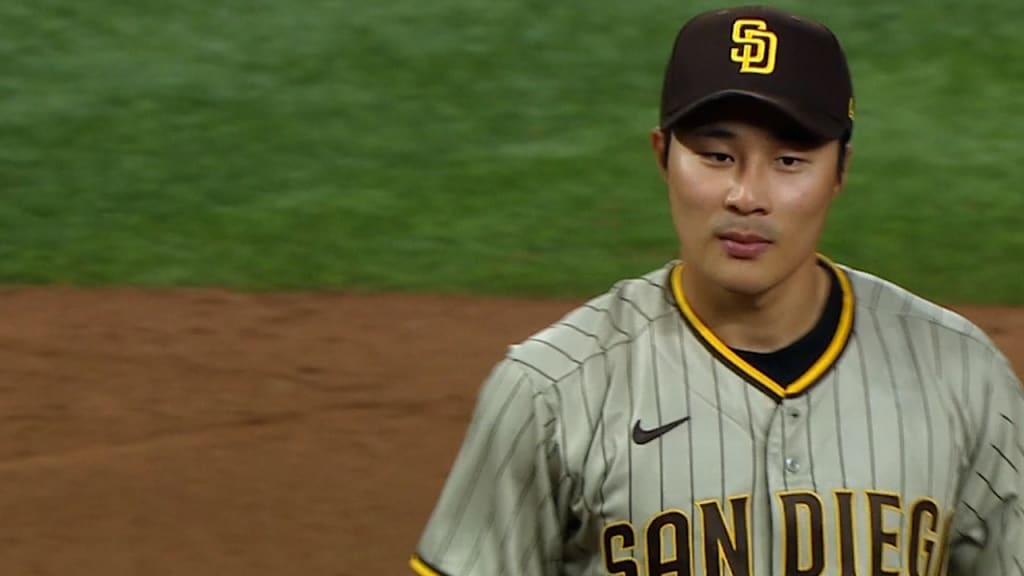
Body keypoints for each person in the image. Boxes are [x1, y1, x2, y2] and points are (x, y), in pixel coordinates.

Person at [409, 5, 1024, 574]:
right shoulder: (550, 391)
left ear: (840, 171)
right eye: (715, 155)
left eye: (789, 161)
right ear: (661, 156)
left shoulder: (963, 377)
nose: (747, 196)